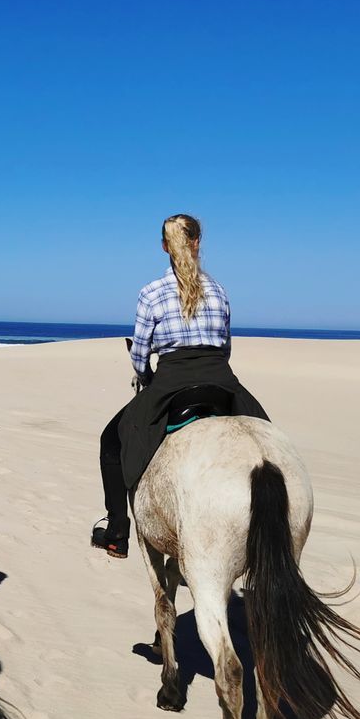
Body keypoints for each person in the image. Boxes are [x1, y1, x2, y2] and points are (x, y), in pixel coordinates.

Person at [92, 214, 269, 557]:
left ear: (163, 246)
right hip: (221, 380)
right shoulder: (219, 291)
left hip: (172, 381)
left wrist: (145, 378)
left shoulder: (151, 293)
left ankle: (116, 531)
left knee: (110, 442)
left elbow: (140, 353)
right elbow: (226, 347)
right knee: (265, 441)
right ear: (197, 242)